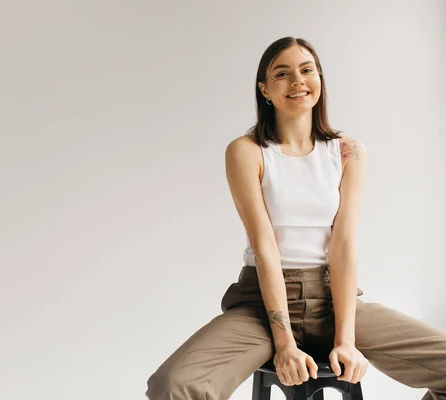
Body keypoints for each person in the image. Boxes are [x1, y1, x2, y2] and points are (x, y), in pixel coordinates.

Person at [145, 37, 446, 400]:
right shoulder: (248, 151)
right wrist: (284, 344)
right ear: (265, 90)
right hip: (262, 305)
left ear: (319, 78)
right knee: (173, 385)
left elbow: (344, 244)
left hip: (336, 301)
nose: (297, 81)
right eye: (282, 74)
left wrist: (345, 340)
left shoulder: (348, 152)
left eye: (306, 70)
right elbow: (265, 246)